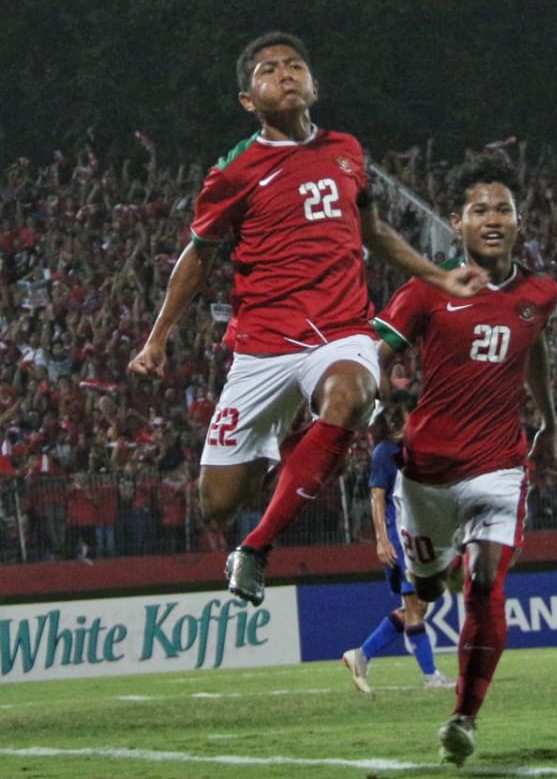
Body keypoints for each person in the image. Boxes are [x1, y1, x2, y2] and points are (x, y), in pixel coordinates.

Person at [126, 32, 486, 606]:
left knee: (349, 393)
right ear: (249, 99)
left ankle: (257, 549)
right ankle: (289, 441)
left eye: (295, 66)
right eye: (268, 70)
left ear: (313, 83)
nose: (285, 74)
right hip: (264, 347)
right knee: (218, 504)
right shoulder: (236, 171)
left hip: (342, 332)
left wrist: (439, 276)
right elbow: (198, 255)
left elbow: (373, 233)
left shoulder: (347, 150)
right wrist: (157, 338)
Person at [372, 154, 557, 766]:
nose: (493, 218)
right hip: (427, 471)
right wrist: (375, 400)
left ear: (519, 220)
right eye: (480, 209)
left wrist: (548, 418)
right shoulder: (428, 287)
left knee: (485, 582)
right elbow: (379, 348)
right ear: (457, 223)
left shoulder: (539, 294)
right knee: (426, 585)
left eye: (503, 208)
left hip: (500, 466)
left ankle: (464, 717)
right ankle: (434, 568)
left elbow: (533, 350)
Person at [341, 405, 450, 694]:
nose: (397, 425)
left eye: (401, 419)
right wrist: (381, 539)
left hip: (417, 537)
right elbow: (377, 499)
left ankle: (361, 656)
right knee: (415, 607)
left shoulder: (415, 451)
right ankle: (432, 676)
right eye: (392, 420)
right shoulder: (384, 454)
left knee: (417, 606)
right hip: (398, 540)